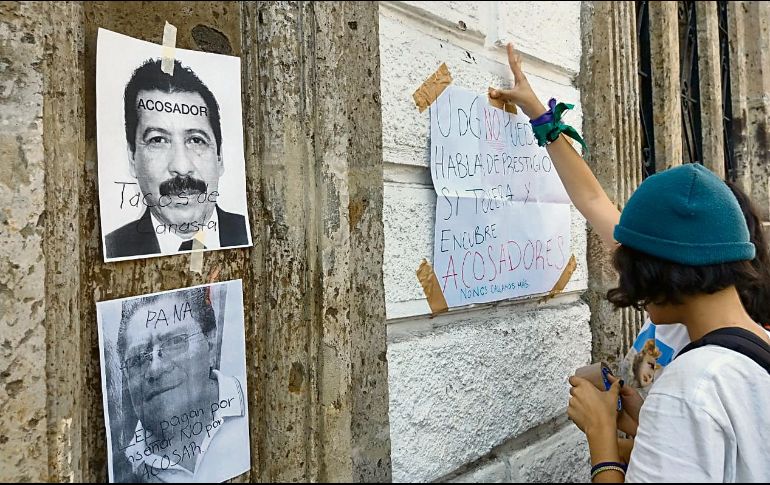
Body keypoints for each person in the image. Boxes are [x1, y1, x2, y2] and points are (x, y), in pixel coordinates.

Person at [490, 44, 770, 482]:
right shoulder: (750, 350)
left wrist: (602, 438)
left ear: (665, 264)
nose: (626, 279)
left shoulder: (693, 385)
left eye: (629, 265)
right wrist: (540, 117)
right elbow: (592, 199)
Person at [105, 58, 249, 259]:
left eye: (196, 140)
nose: (181, 167)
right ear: (132, 158)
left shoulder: (249, 232)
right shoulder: (112, 248)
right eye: (158, 140)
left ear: (220, 157)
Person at [112, 287, 247, 482]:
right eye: (138, 359)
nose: (155, 369)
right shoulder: (126, 465)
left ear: (211, 343)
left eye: (175, 342)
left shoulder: (260, 404)